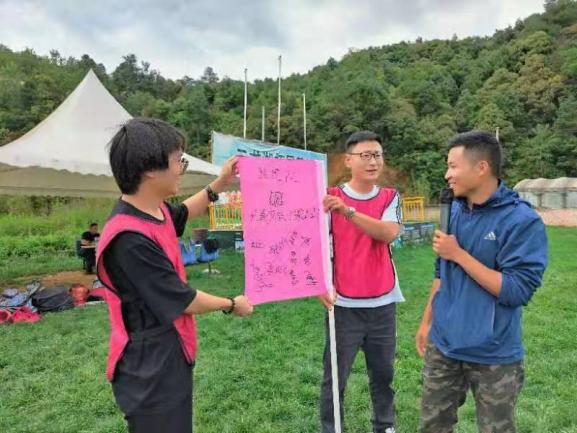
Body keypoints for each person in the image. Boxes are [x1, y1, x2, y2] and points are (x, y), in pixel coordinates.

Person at [95, 117, 253, 433]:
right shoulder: (129, 239)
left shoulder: (154, 209)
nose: (182, 168)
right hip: (149, 364)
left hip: (168, 347)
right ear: (151, 170)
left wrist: (221, 182)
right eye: (179, 160)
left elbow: (184, 211)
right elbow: (184, 299)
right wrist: (232, 303)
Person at [415, 131, 548, 433]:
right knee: (432, 426)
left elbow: (517, 290)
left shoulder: (521, 221)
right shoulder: (454, 210)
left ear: (481, 168)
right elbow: (442, 272)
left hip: (494, 354)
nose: (447, 175)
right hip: (444, 346)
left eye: (453, 166)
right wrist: (427, 322)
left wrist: (459, 254)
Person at [319, 130, 403, 433]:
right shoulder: (328, 196)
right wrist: (318, 284)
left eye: (377, 155)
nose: (373, 161)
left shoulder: (390, 197)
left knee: (383, 374)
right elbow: (312, 243)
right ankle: (332, 428)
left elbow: (388, 233)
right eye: (365, 155)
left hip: (383, 302)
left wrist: (349, 212)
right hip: (343, 304)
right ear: (348, 160)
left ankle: (384, 425)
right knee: (335, 376)